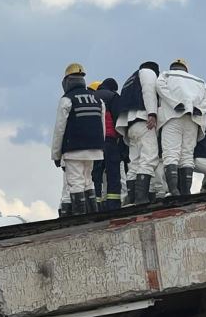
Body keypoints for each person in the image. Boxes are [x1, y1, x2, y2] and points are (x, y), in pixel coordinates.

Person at [51, 63, 105, 215]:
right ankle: (94, 214)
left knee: (75, 182)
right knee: (88, 181)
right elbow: (102, 126)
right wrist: (100, 145)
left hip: (74, 149)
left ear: (67, 81)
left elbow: (59, 129)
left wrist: (56, 154)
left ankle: (80, 217)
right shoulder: (97, 99)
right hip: (95, 148)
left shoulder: (67, 99)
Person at [156, 59, 206, 196]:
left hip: (172, 117)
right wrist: (200, 108)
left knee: (171, 153)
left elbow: (159, 86)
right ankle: (186, 192)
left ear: (173, 67)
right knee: (187, 155)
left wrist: (175, 103)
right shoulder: (199, 81)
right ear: (185, 69)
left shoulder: (167, 75)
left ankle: (174, 191)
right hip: (193, 120)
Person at [116, 62, 160, 204]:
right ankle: (141, 198)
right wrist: (152, 113)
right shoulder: (147, 72)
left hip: (130, 125)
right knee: (149, 157)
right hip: (144, 121)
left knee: (134, 162)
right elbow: (148, 91)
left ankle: (132, 198)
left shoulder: (130, 79)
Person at [92, 78, 122, 210]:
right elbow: (119, 119)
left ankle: (95, 203)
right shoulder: (113, 97)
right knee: (112, 173)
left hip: (94, 142)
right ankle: (112, 204)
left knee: (96, 174)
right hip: (110, 140)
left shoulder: (91, 97)